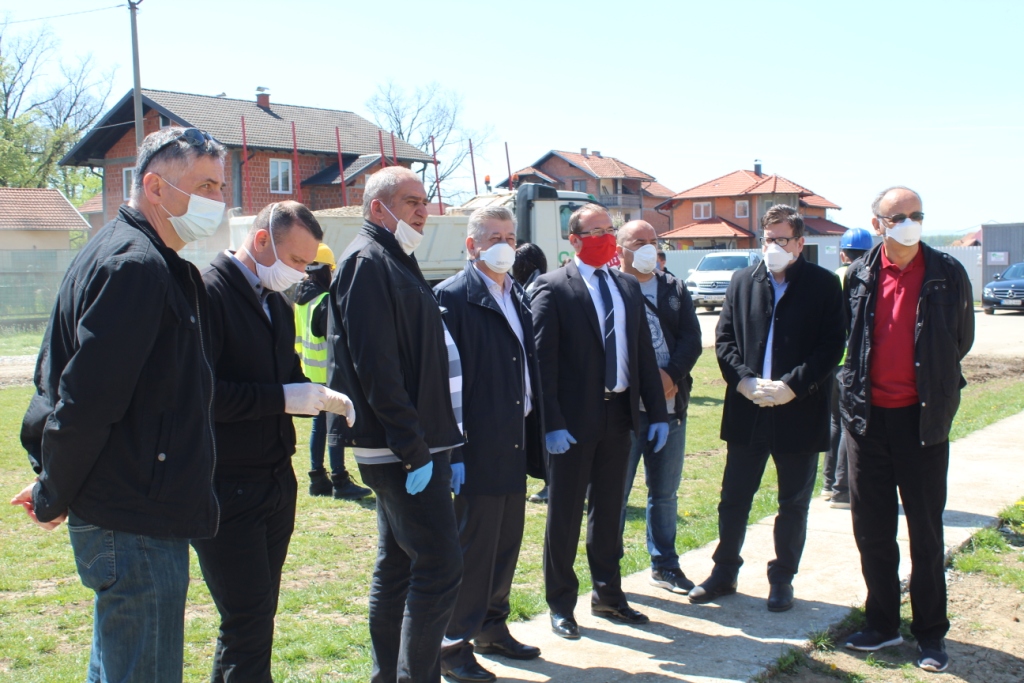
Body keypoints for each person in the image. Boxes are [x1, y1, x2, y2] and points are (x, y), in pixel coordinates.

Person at [11, 126, 224, 682]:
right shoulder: (136, 265)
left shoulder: (134, 255)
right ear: (154, 187)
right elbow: (84, 399)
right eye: (205, 186)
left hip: (130, 509)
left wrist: (54, 484)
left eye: (221, 187)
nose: (217, 201)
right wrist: (53, 491)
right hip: (133, 517)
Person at [191, 201, 355, 681]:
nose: (301, 273)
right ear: (262, 240)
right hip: (226, 483)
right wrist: (281, 398)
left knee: (257, 615)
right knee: (246, 617)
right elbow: (201, 395)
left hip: (275, 479)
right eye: (297, 260)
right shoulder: (208, 293)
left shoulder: (273, 300)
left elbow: (286, 373)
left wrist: (319, 394)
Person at [327, 166, 464, 683]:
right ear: (377, 208)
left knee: (399, 565)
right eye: (411, 202)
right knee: (440, 566)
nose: (423, 211)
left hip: (415, 444)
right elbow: (376, 365)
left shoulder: (393, 257)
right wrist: (413, 447)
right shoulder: (367, 261)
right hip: (402, 449)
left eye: (425, 201)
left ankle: (388, 675)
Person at [840, 187, 974, 673]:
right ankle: (882, 624)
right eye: (898, 216)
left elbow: (961, 339)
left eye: (916, 215)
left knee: (926, 531)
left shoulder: (947, 272)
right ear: (877, 223)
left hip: (922, 420)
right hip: (867, 421)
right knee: (872, 528)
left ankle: (931, 633)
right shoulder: (858, 274)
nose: (909, 223)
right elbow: (851, 338)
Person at [689, 205, 845, 613]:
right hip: (749, 410)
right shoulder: (743, 281)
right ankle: (724, 572)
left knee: (792, 502)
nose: (773, 246)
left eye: (782, 239)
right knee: (734, 497)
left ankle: (782, 578)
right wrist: (743, 380)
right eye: (768, 239)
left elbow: (832, 345)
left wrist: (793, 386)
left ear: (800, 243)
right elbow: (724, 339)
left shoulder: (823, 284)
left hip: (799, 410)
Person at [531, 203, 669, 639]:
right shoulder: (553, 287)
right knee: (565, 515)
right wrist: (552, 423)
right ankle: (561, 604)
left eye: (610, 229)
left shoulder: (626, 285)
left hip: (619, 415)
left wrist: (657, 412)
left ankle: (609, 596)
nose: (606, 238)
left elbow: (642, 353)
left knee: (609, 513)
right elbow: (542, 364)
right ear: (573, 240)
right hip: (572, 423)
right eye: (596, 232)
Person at [435, 206, 545, 683]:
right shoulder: (451, 297)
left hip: (512, 440)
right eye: (494, 237)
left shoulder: (515, 293)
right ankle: (451, 646)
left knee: (505, 544)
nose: (505, 245)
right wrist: (455, 451)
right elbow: (442, 382)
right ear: (472, 245)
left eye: (510, 237)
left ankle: (491, 628)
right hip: (475, 446)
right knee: (474, 551)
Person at [615, 220, 702, 595]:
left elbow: (692, 339)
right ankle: (609, 571)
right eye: (639, 242)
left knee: (664, 493)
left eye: (653, 240)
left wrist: (670, 375)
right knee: (614, 495)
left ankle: (665, 565)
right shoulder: (611, 289)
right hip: (623, 414)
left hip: (670, 408)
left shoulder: (674, 288)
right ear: (620, 248)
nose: (649, 247)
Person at [294, 242, 371, 500]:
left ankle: (317, 478)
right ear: (326, 269)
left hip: (309, 372)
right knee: (335, 426)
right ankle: (340, 480)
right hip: (328, 373)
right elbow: (335, 338)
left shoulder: (301, 299)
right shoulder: (324, 301)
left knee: (319, 426)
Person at [823, 227, 873, 509]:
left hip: (831, 362)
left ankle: (828, 483)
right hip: (851, 364)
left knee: (833, 422)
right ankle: (842, 490)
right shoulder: (866, 277)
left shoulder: (834, 277)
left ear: (843, 253)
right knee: (848, 424)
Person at [511, 241, 550, 504]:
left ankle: (552, 482)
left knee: (543, 430)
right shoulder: (529, 286)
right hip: (534, 375)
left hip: (540, 377)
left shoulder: (535, 289)